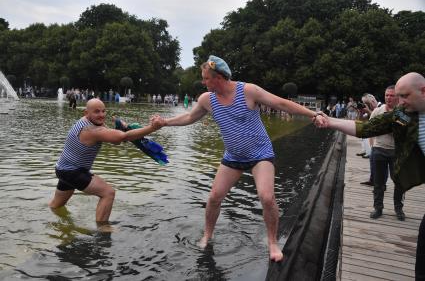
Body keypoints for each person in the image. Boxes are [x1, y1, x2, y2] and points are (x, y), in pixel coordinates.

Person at [153, 55, 325, 262]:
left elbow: (281, 104)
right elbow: (189, 117)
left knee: (267, 197)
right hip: (233, 156)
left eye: (206, 78)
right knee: (214, 197)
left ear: (218, 77)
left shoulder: (248, 91)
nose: (203, 82)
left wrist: (313, 115)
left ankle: (272, 243)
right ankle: (208, 235)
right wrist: (165, 122)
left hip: (260, 154)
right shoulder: (207, 99)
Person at [315, 72, 425, 280]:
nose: (399, 102)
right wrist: (330, 121)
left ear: (423, 91)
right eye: (397, 96)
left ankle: (398, 208)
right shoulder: (403, 114)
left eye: (405, 96)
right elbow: (366, 128)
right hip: (382, 152)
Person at [49, 98, 161, 223]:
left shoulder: (89, 122)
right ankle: (102, 231)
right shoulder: (92, 130)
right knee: (108, 193)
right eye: (97, 112)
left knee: (56, 206)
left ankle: (48, 222)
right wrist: (153, 127)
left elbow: (115, 139)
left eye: (103, 111)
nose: (101, 115)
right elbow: (123, 137)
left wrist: (122, 127)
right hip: (73, 172)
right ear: (86, 113)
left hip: (62, 169)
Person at [367, 86, 405, 220]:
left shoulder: (402, 113)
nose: (388, 98)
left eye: (391, 95)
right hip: (379, 150)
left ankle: (398, 208)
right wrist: (373, 147)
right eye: (386, 95)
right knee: (378, 182)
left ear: (398, 97)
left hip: (396, 152)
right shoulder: (377, 111)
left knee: (399, 182)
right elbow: (369, 129)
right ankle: (378, 208)